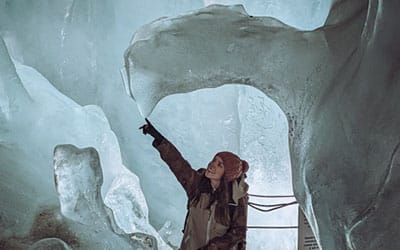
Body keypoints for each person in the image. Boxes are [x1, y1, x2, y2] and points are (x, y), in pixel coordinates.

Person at [140, 119, 249, 250]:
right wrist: (158, 138)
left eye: (219, 165)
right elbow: (177, 163)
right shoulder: (197, 185)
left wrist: (214, 246)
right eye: (213, 160)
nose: (212, 165)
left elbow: (238, 233)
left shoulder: (236, 198)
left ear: (227, 174)